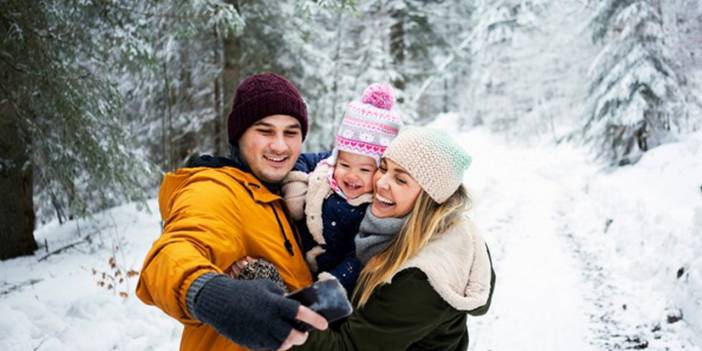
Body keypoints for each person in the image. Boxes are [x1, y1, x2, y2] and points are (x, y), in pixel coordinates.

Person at [135, 72, 328, 351]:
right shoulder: (217, 189)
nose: (280, 145)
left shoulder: (283, 192)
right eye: (265, 131)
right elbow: (171, 254)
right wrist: (214, 295)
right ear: (239, 136)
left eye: (291, 132)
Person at [292, 126, 497, 350]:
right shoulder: (393, 227)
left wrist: (277, 318)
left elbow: (349, 346)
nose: (381, 182)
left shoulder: (421, 278)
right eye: (383, 167)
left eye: (400, 180)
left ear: (429, 199)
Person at [280, 83, 402, 293]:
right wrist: (295, 185)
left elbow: (361, 255)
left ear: (381, 170)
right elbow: (301, 160)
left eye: (365, 170)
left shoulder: (375, 209)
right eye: (344, 165)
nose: (352, 175)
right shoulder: (325, 166)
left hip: (333, 280)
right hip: (296, 261)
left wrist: (334, 282)